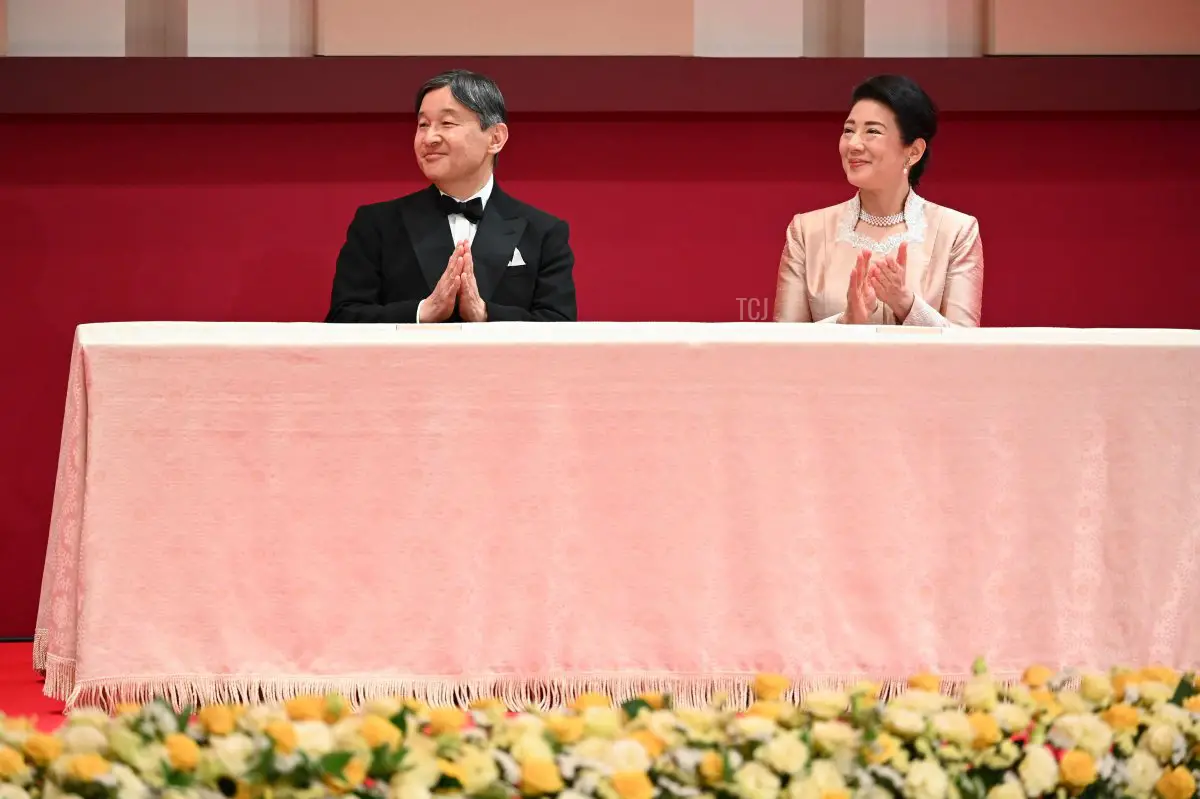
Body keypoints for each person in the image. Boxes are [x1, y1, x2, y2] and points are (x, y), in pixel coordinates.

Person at [325, 70, 577, 323]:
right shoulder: (376, 225)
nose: (429, 138)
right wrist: (422, 312)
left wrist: (485, 314)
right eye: (423, 125)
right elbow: (342, 318)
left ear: (495, 138)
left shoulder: (544, 232)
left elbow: (560, 326)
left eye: (447, 123)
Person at [773, 75, 983, 326]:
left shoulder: (956, 232)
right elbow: (785, 343)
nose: (853, 144)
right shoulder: (807, 232)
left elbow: (968, 347)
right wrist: (845, 322)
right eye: (848, 130)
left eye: (872, 131)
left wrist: (906, 304)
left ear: (913, 151)